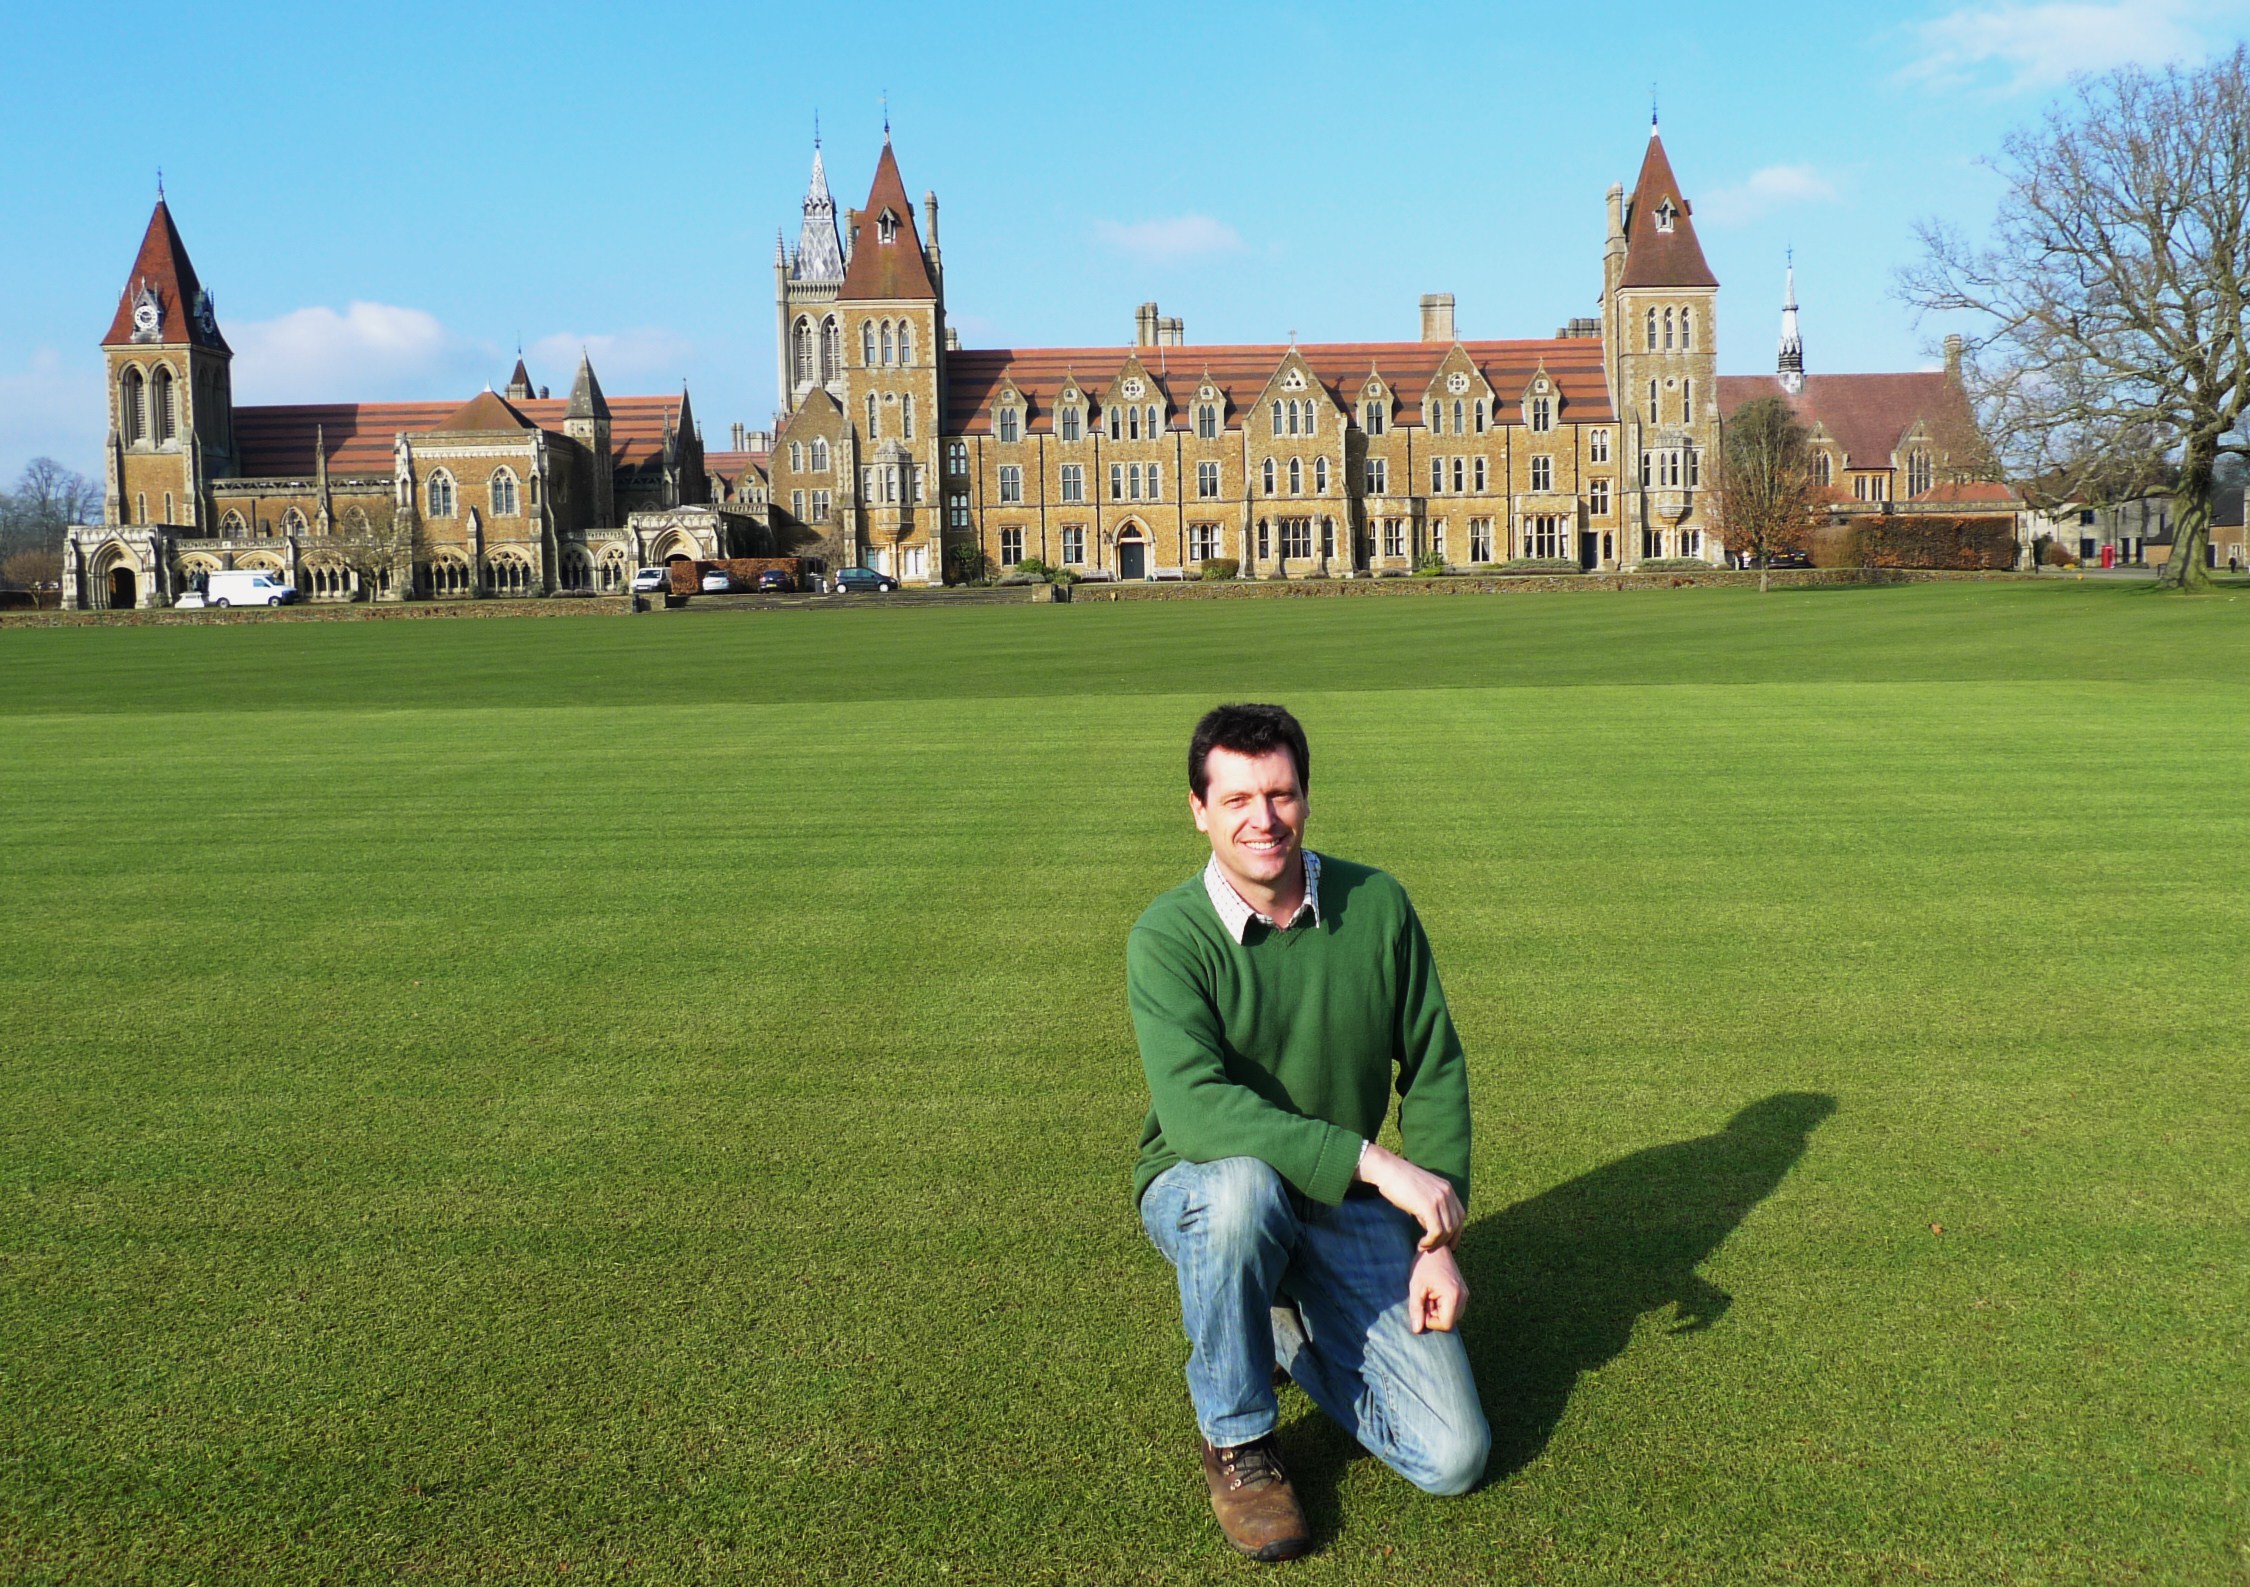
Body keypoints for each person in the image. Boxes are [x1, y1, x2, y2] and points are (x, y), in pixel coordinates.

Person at [1128, 703, 1489, 1562]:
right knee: (1244, 1188)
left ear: (1307, 800)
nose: (1264, 818)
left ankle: (1278, 1326)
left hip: (1338, 1199)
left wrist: (1437, 1237)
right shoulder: (1167, 935)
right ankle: (1240, 1439)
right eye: (1240, 797)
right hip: (1202, 1182)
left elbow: (1433, 1067)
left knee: (1455, 1456)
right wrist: (1371, 1159)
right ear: (1198, 809)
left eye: (1282, 794)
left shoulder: (1378, 906)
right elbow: (1196, 1111)